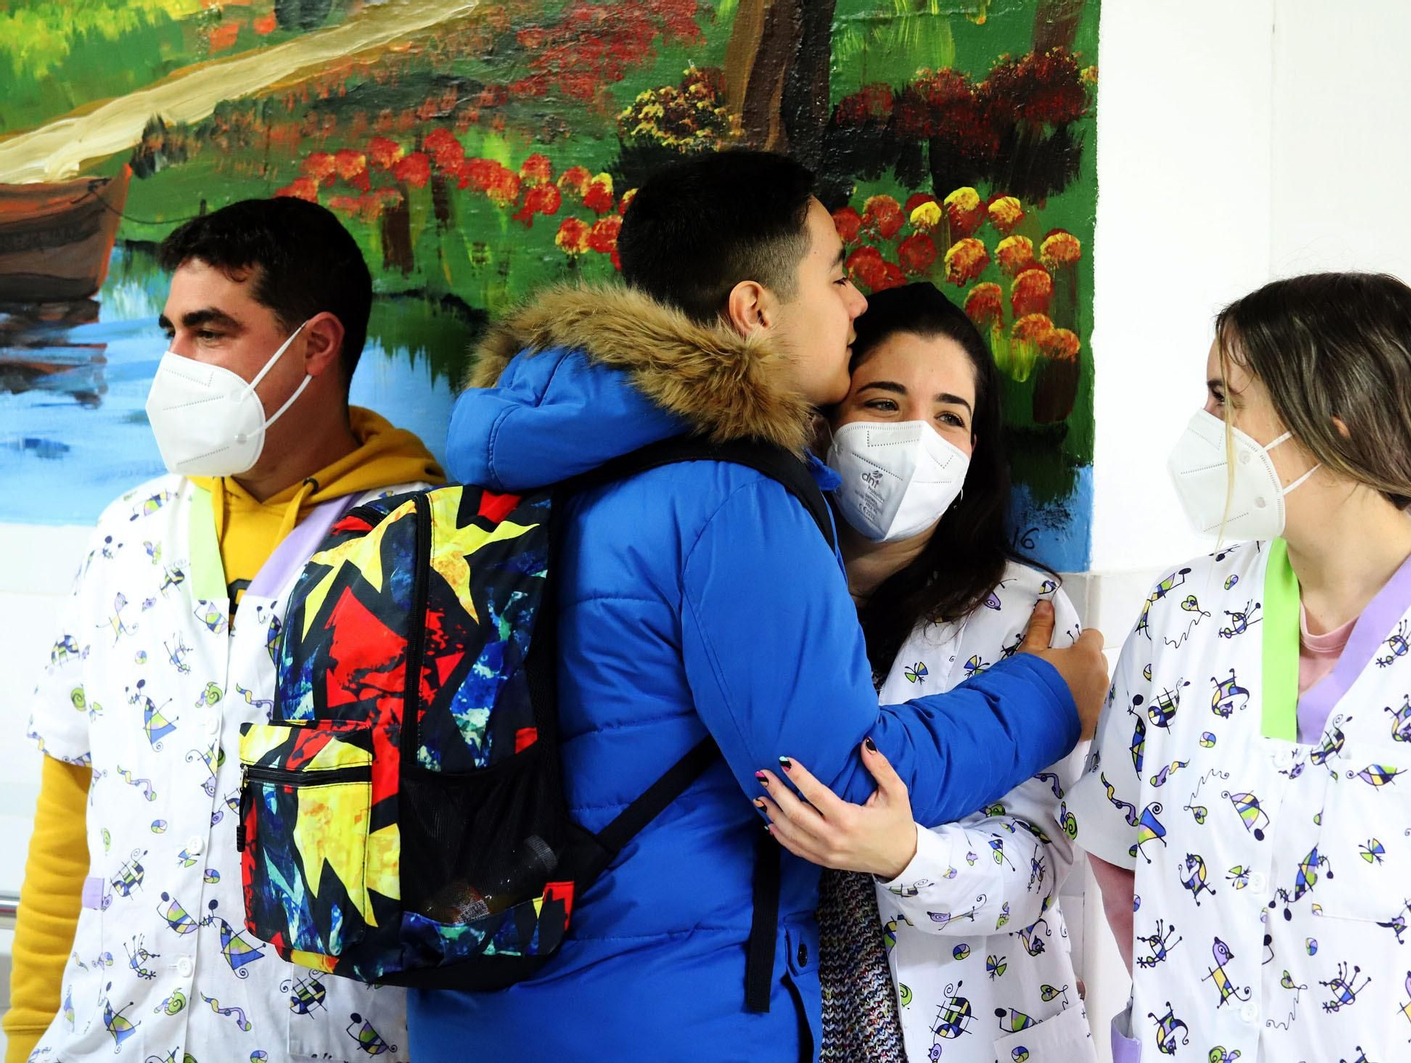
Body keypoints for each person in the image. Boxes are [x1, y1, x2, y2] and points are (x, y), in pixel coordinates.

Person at [408, 150, 1108, 1062]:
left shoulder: (533, 464)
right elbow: (831, 786)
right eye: (839, 274)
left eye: (950, 415)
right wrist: (1051, 695)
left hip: (482, 996)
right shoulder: (733, 493)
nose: (857, 302)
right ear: (753, 309)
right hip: (661, 1014)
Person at [1065, 272, 1411, 1063]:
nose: (1203, 425)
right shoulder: (1183, 618)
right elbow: (1121, 854)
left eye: (1225, 398)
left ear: (1333, 424)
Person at [5, 198, 444, 1063]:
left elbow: (483, 835)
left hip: (324, 1043)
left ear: (315, 344)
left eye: (209, 331)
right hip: (107, 1042)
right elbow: (69, 808)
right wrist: (24, 1037)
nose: (174, 365)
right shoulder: (130, 535)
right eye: (171, 329)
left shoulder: (433, 557)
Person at [752, 282, 1097, 1063]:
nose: (918, 437)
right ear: (825, 420)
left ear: (974, 454)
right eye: (882, 401)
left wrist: (905, 852)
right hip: (782, 1003)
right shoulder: (766, 590)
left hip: (974, 1021)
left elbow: (1037, 861)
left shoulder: (1026, 612)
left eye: (949, 416)